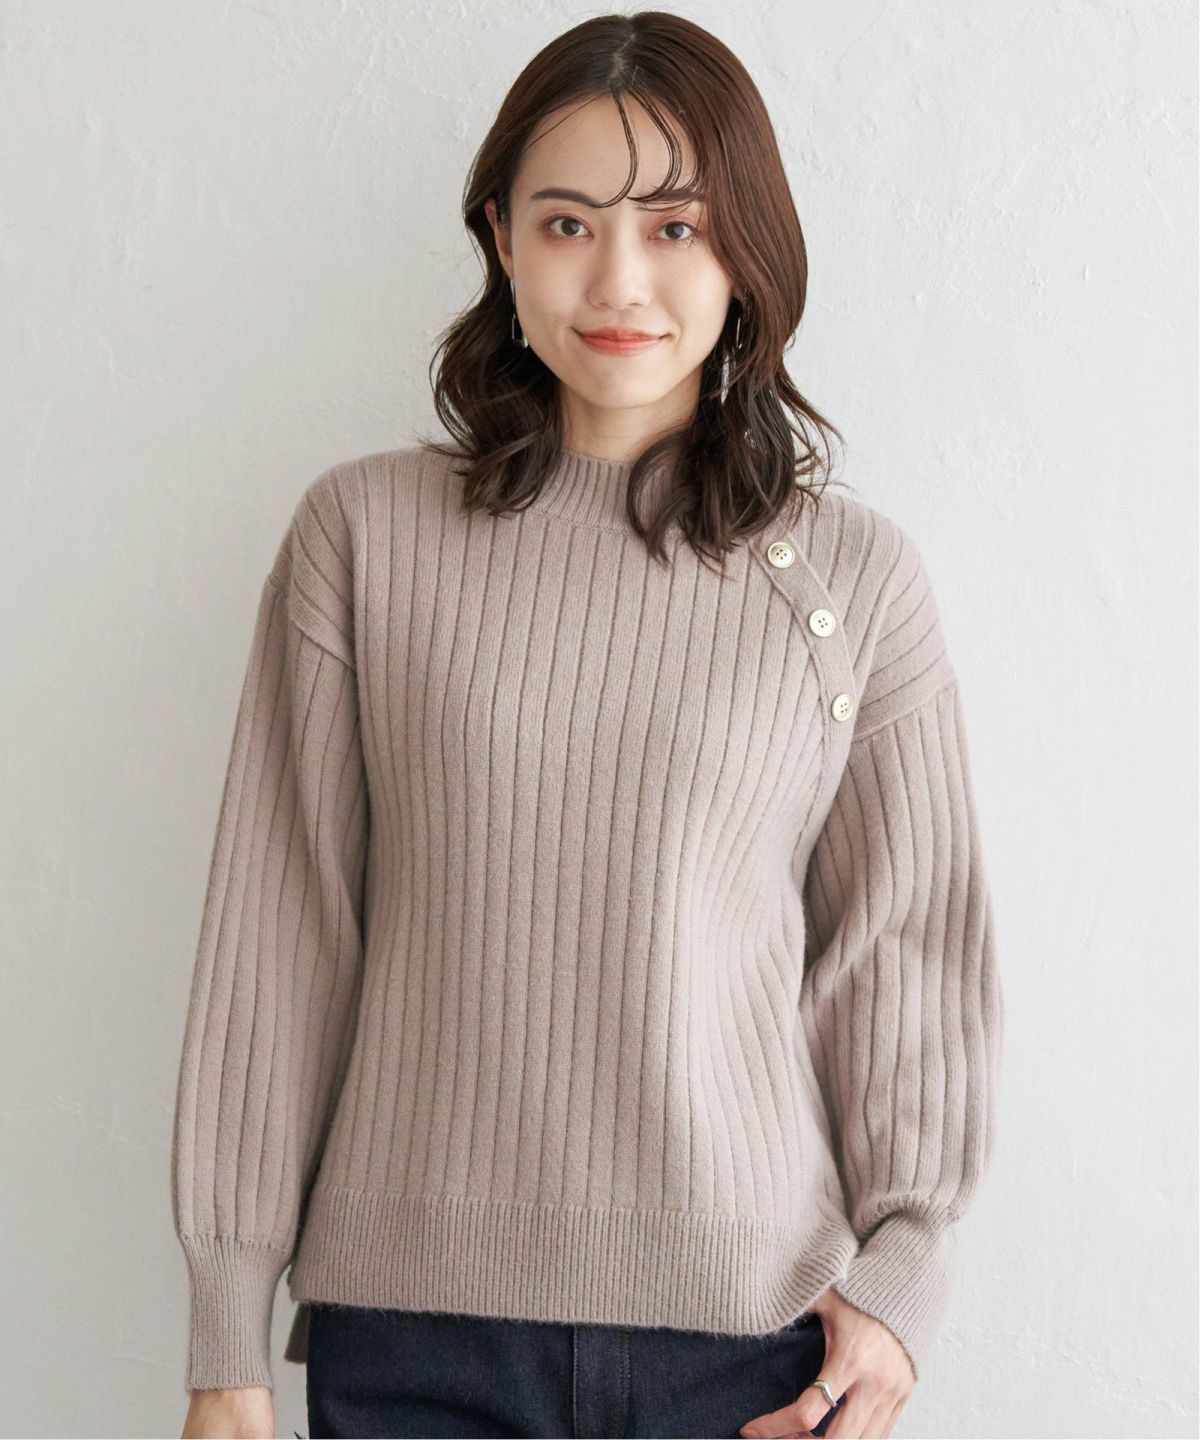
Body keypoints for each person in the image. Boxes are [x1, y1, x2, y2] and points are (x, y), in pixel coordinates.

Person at [173, 12, 1003, 1440]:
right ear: (502, 240)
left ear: (745, 252)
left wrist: (906, 1278)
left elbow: (903, 950)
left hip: (751, 1346)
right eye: (568, 223)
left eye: (676, 226)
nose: (620, 280)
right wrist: (223, 1342)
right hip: (414, 1342)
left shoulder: (853, 581)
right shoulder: (362, 539)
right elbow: (281, 936)